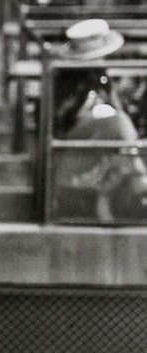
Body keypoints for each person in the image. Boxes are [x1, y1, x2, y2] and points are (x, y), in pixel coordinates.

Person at [52, 19, 147, 223]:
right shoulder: (65, 78)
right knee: (119, 124)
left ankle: (108, 198)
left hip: (105, 140)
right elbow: (61, 120)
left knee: (121, 127)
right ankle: (139, 181)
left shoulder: (101, 75)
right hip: (76, 138)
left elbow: (118, 109)